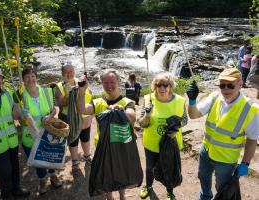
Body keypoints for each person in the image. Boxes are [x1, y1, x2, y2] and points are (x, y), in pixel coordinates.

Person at [186, 68, 259, 200]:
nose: (225, 90)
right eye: (222, 85)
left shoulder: (250, 109)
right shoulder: (215, 97)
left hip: (226, 160)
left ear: (240, 85)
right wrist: (192, 101)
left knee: (223, 190)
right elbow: (194, 114)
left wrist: (245, 163)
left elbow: (252, 139)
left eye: (230, 85)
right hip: (206, 151)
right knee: (203, 179)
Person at [76, 69, 136, 200]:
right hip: (102, 146)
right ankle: (110, 197)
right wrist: (81, 91)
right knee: (106, 173)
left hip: (121, 145)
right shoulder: (98, 102)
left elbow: (132, 117)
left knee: (121, 173)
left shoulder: (126, 102)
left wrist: (121, 111)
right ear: (102, 83)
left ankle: (122, 196)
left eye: (112, 82)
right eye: (105, 82)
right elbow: (82, 109)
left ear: (119, 82)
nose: (109, 86)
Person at [138, 72, 187, 200]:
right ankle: (148, 186)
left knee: (169, 168)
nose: (162, 88)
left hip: (170, 143)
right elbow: (141, 124)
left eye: (165, 85)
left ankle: (170, 192)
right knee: (149, 168)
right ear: (155, 86)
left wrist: (176, 126)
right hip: (152, 144)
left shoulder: (180, 101)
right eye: (158, 85)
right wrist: (147, 115)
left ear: (170, 86)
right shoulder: (149, 99)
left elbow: (185, 120)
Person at [0, 64, 30, 200]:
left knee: (15, 168)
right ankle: (7, 195)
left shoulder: (8, 95)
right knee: (5, 172)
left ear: (2, 80)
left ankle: (16, 189)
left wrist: (21, 112)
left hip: (12, 140)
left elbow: (15, 116)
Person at [18, 67, 61, 195]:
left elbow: (56, 108)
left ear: (36, 78)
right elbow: (19, 121)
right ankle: (42, 180)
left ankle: (53, 175)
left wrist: (50, 116)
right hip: (30, 136)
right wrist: (22, 116)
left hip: (47, 134)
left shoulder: (47, 91)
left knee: (50, 157)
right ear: (23, 80)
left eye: (33, 76)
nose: (30, 79)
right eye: (27, 77)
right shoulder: (19, 95)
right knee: (38, 161)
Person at [54, 62, 93, 168]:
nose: (69, 73)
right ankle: (75, 160)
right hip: (70, 119)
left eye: (71, 71)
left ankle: (87, 156)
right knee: (73, 140)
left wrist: (82, 88)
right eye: (66, 72)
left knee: (86, 138)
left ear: (74, 71)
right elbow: (61, 103)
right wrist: (73, 92)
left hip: (85, 119)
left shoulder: (81, 82)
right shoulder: (59, 87)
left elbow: (89, 97)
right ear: (62, 74)